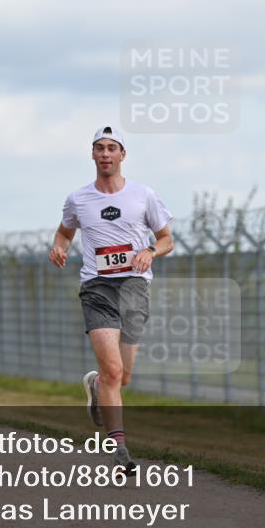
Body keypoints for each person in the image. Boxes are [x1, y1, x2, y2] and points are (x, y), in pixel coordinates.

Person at [49, 126, 173, 473]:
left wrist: (150, 251)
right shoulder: (78, 199)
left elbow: (167, 239)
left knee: (123, 376)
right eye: (99, 148)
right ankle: (120, 451)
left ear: (122, 155)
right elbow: (64, 231)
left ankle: (95, 384)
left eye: (112, 148)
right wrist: (59, 247)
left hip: (134, 286)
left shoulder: (143, 195)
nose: (105, 154)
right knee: (113, 369)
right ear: (92, 154)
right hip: (97, 287)